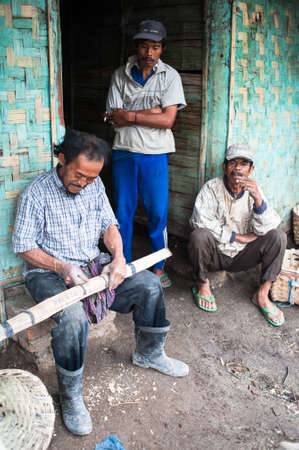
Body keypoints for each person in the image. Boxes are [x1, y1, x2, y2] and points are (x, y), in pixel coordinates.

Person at [12, 129, 189, 437]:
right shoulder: (37, 193)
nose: (83, 183)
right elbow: (24, 245)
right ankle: (71, 395)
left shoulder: (94, 187)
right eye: (79, 175)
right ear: (62, 159)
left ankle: (149, 352)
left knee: (148, 284)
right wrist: (61, 266)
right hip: (48, 273)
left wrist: (118, 258)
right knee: (72, 319)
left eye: (91, 178)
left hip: (94, 266)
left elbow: (110, 226)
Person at [105, 19, 186, 288]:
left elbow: (168, 121)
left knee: (157, 212)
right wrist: (154, 111)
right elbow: (114, 118)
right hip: (125, 152)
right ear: (136, 47)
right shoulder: (121, 74)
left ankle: (158, 265)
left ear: (162, 49)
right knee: (123, 211)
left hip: (155, 153)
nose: (149, 53)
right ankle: (122, 264)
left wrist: (132, 115)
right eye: (144, 46)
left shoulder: (170, 76)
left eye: (155, 47)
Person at [188, 143, 287, 327]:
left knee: (278, 237)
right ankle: (202, 284)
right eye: (233, 163)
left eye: (244, 164)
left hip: (243, 256)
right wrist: (237, 237)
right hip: (216, 254)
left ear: (251, 169)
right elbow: (198, 220)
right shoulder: (211, 188)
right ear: (224, 167)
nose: (238, 169)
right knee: (198, 235)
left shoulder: (255, 190)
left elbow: (270, 225)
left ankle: (262, 294)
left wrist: (258, 199)